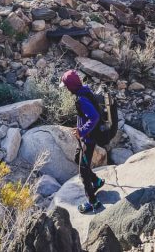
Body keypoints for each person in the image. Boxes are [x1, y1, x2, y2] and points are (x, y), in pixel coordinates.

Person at [61, 69, 106, 214]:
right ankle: (97, 181)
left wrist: (82, 131)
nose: (66, 89)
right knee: (77, 158)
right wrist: (80, 127)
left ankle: (93, 202)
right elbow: (87, 116)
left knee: (83, 172)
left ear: (70, 87)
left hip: (89, 139)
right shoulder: (85, 91)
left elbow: (94, 117)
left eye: (66, 86)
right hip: (87, 137)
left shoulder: (81, 100)